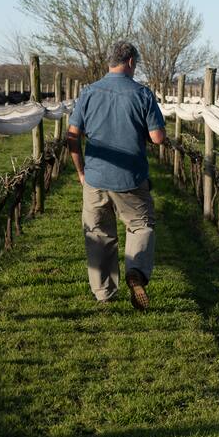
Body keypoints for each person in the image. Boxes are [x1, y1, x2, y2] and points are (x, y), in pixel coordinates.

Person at [67, 41, 166, 309]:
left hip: (96, 178)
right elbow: (157, 138)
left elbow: (72, 135)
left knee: (98, 234)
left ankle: (104, 294)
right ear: (131, 62)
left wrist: (81, 172)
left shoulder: (88, 93)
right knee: (140, 226)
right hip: (131, 179)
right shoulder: (142, 94)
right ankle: (136, 272)